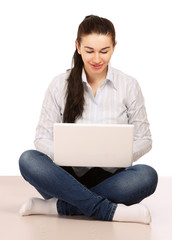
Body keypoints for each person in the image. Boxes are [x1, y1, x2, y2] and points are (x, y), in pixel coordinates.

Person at [19, 15, 158, 224]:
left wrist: (119, 155)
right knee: (28, 159)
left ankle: (58, 206)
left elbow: (145, 139)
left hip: (112, 179)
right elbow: (41, 138)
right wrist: (65, 154)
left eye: (104, 51)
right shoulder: (59, 85)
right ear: (78, 46)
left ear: (114, 46)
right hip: (64, 178)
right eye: (89, 51)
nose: (97, 59)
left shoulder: (129, 85)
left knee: (148, 175)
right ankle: (107, 210)